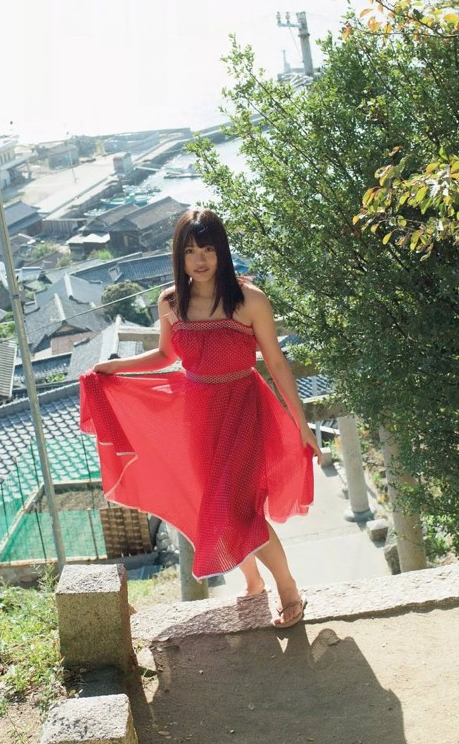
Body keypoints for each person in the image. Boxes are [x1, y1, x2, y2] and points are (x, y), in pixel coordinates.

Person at [80, 207, 321, 628]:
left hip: (245, 410)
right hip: (198, 414)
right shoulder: (172, 301)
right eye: (191, 251)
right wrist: (115, 369)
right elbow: (166, 356)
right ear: (180, 256)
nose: (200, 259)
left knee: (241, 509)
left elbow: (278, 364)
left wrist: (301, 422)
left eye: (208, 248)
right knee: (213, 503)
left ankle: (288, 588)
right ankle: (252, 582)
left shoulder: (250, 299)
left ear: (221, 251)